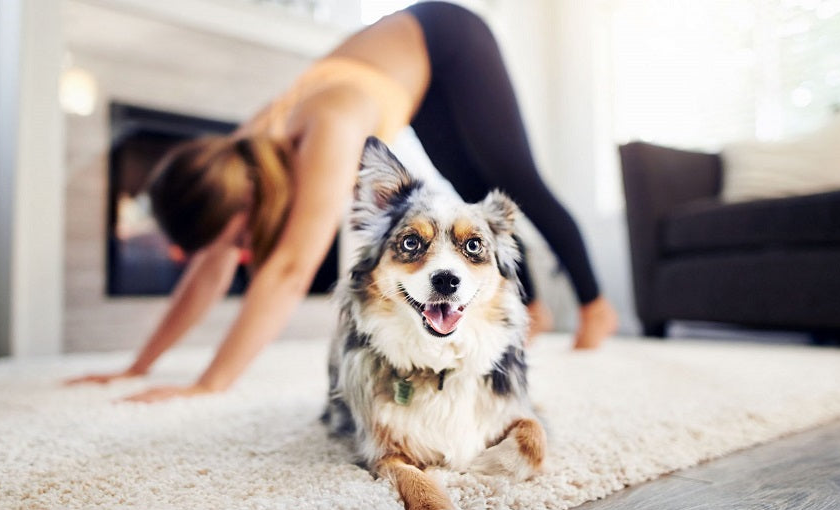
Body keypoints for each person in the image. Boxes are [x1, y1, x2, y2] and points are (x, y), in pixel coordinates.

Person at [66, 1, 618, 402]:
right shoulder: (237, 157)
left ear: (246, 200)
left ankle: (596, 306)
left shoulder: (329, 126)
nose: (236, 249)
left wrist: (208, 384)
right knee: (476, 192)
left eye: (235, 236)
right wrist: (137, 367)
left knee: (515, 181)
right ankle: (537, 309)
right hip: (408, 71)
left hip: (449, 35)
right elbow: (207, 270)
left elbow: (288, 269)